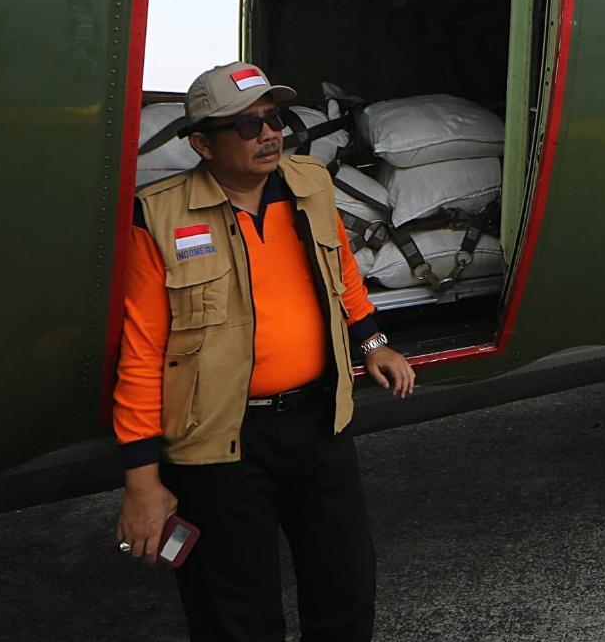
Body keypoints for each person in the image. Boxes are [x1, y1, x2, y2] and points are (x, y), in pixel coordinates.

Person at [114, 62, 417, 642]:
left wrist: (374, 342)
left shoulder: (311, 185)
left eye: (273, 118)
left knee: (347, 586)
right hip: (219, 443)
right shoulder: (158, 216)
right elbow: (142, 353)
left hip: (319, 423)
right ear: (203, 144)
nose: (269, 134)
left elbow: (343, 274)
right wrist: (143, 482)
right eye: (247, 126)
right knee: (235, 612)